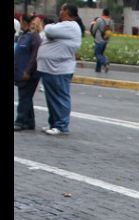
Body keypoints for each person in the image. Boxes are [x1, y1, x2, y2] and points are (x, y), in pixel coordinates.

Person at [36, 3, 83, 136]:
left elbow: (48, 30)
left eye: (62, 9)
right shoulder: (63, 26)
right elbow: (46, 36)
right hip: (51, 68)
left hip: (59, 70)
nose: (60, 11)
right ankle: (54, 123)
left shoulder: (70, 25)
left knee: (60, 97)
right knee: (52, 98)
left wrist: (49, 28)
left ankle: (61, 125)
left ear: (67, 12)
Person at [14, 14, 42, 131]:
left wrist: (28, 71)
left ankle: (20, 121)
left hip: (28, 74)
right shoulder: (23, 36)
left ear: (24, 22)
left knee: (24, 98)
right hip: (20, 72)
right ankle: (29, 122)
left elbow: (35, 55)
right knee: (26, 97)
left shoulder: (34, 37)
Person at [90, 8, 114, 73]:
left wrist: (93, 35)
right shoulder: (111, 21)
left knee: (97, 54)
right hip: (105, 41)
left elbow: (94, 29)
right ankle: (98, 69)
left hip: (98, 40)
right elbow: (111, 31)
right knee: (100, 54)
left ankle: (105, 62)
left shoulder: (99, 20)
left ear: (103, 13)